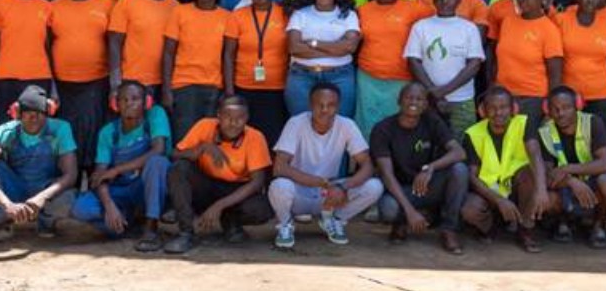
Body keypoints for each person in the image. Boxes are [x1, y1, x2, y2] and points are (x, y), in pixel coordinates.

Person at [269, 82, 384, 248]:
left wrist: (343, 187)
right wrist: (322, 182)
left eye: (330, 105)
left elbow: (367, 165)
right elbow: (279, 167)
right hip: (300, 193)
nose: (324, 110)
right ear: (310, 105)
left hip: (330, 196)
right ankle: (285, 224)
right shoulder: (296, 123)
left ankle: (335, 220)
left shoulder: (346, 125)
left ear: (338, 106)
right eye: (319, 105)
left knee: (374, 186)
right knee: (279, 186)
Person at [0, 85, 78, 246]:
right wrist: (7, 205)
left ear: (46, 113)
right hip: (15, 189)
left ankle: (46, 222)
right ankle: (1, 227)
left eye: (39, 113)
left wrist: (41, 198)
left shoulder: (60, 129)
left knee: (69, 197)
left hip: (45, 190)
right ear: (19, 114)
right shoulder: (6, 131)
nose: (34, 117)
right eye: (28, 113)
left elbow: (71, 175)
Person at [165, 94, 274, 253]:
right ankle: (186, 232)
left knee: (261, 209)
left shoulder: (255, 137)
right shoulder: (204, 126)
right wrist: (201, 148)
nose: (233, 123)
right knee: (179, 169)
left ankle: (230, 222)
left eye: (240, 118)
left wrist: (219, 206)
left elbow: (257, 182)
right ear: (218, 116)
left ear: (247, 118)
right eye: (228, 117)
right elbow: (174, 154)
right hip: (206, 186)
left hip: (236, 190)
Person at [69, 81, 170, 252]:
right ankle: (122, 225)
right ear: (116, 104)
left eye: (135, 99)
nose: (129, 103)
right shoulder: (108, 132)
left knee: (156, 163)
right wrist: (109, 206)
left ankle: (151, 228)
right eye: (124, 100)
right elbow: (99, 174)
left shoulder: (155, 115)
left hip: (144, 187)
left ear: (146, 103)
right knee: (80, 209)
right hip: (120, 191)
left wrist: (116, 170)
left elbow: (158, 150)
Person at [371, 82, 470, 254]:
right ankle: (402, 222)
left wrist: (430, 168)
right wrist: (409, 211)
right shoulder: (383, 129)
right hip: (400, 190)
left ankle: (449, 229)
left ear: (425, 104)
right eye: (409, 97)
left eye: (419, 98)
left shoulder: (431, 121)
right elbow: (387, 174)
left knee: (459, 170)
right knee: (388, 209)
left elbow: (459, 153)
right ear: (399, 100)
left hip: (427, 186)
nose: (414, 102)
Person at [461, 86, 549, 253]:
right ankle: (491, 226)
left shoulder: (523, 123)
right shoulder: (472, 134)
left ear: (513, 109)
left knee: (531, 173)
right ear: (483, 111)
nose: (498, 113)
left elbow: (535, 155)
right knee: (470, 210)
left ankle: (525, 229)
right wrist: (498, 200)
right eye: (492, 108)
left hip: (517, 189)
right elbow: (472, 177)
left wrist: (541, 189)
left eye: (503, 107)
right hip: (490, 193)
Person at [48, 0, 115, 175]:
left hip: (96, 80)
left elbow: (114, 43)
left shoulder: (106, 5)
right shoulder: (54, 6)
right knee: (67, 131)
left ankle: (90, 178)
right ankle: (70, 179)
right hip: (63, 82)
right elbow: (46, 44)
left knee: (93, 130)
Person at [356, 0, 433, 138]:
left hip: (401, 80)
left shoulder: (414, 8)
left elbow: (439, 20)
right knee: (367, 127)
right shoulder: (363, 11)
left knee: (396, 129)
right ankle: (367, 164)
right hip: (368, 79)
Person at [537, 86, 606, 248]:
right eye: (556, 109)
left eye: (566, 108)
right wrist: (572, 182)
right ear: (548, 110)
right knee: (550, 198)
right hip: (564, 184)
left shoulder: (592, 122)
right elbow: (547, 174)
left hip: (592, 181)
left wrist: (567, 169)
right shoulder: (545, 132)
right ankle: (563, 222)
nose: (561, 113)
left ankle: (599, 226)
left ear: (577, 106)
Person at [162, 0, 237, 139]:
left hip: (214, 87)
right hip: (184, 86)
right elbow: (168, 53)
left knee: (210, 137)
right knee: (184, 138)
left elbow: (228, 57)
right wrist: (167, 90)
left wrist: (228, 91)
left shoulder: (228, 17)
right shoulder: (180, 12)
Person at [406, 0, 486, 135]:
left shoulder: (469, 28)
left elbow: (474, 65)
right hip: (428, 100)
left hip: (462, 100)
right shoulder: (421, 26)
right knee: (427, 145)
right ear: (434, 1)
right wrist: (432, 92)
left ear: (458, 0)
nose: (445, 2)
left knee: (462, 146)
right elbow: (413, 61)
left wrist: (441, 92)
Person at [284, 0, 361, 118]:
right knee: (300, 123)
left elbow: (350, 47)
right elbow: (294, 47)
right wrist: (336, 47)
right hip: (302, 75)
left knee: (340, 123)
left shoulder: (348, 15)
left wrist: (313, 43)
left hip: (340, 76)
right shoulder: (300, 14)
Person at [489, 0, 563, 122]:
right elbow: (498, 59)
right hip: (504, 97)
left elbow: (555, 74)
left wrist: (550, 107)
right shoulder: (508, 22)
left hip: (532, 100)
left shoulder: (549, 29)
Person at [107, 0, 179, 100]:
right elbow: (115, 43)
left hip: (165, 82)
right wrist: (115, 82)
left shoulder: (175, 7)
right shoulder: (127, 2)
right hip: (132, 79)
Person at [556, 0, 606, 129]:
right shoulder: (561, 20)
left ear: (601, 0)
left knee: (596, 140)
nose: (590, 0)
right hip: (568, 95)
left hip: (602, 96)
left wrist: (597, 77)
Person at [232, 0, 291, 143]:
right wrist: (229, 89)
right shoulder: (237, 15)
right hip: (244, 86)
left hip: (276, 87)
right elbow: (228, 54)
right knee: (245, 135)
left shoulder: (284, 14)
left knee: (273, 135)